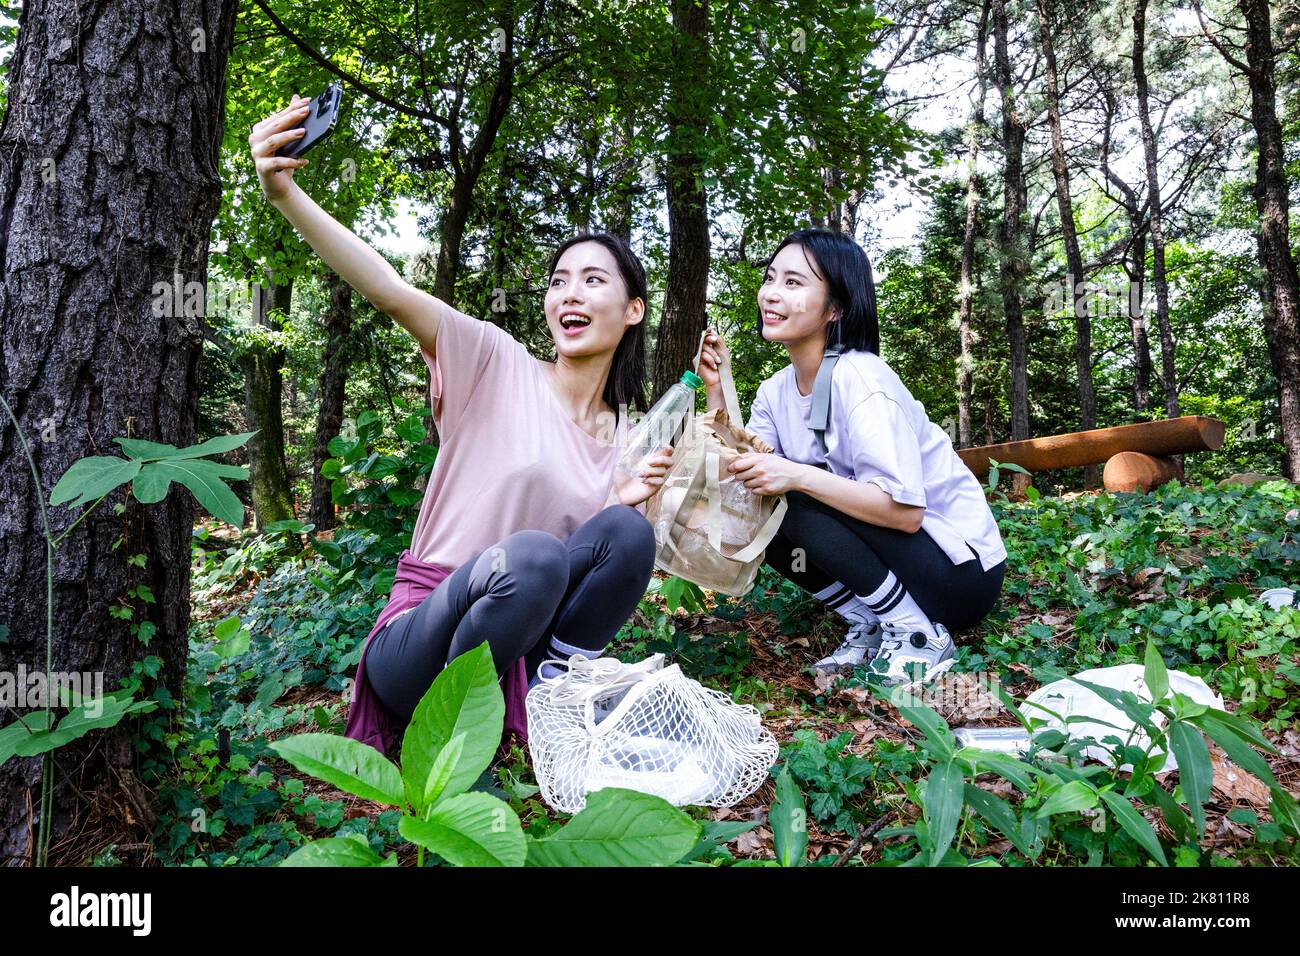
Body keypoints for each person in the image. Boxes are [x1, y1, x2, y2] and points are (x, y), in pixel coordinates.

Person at [249, 95, 670, 754]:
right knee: (530, 558)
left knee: (627, 531)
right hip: (422, 635)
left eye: (593, 281)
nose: (569, 294)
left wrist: (629, 499)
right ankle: (453, 743)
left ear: (634, 309)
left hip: (516, 649)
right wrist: (284, 196)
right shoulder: (495, 362)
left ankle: (550, 694)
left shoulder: (627, 438)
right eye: (559, 281)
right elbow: (388, 288)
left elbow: (620, 558)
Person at [698, 228, 1007, 686]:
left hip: (959, 574)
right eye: (770, 278)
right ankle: (870, 620)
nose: (771, 293)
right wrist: (716, 387)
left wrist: (796, 475)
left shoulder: (861, 378)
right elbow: (742, 470)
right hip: (906, 567)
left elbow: (904, 513)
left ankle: (917, 633)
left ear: (835, 309)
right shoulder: (774, 391)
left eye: (794, 283)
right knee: (765, 501)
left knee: (793, 495)